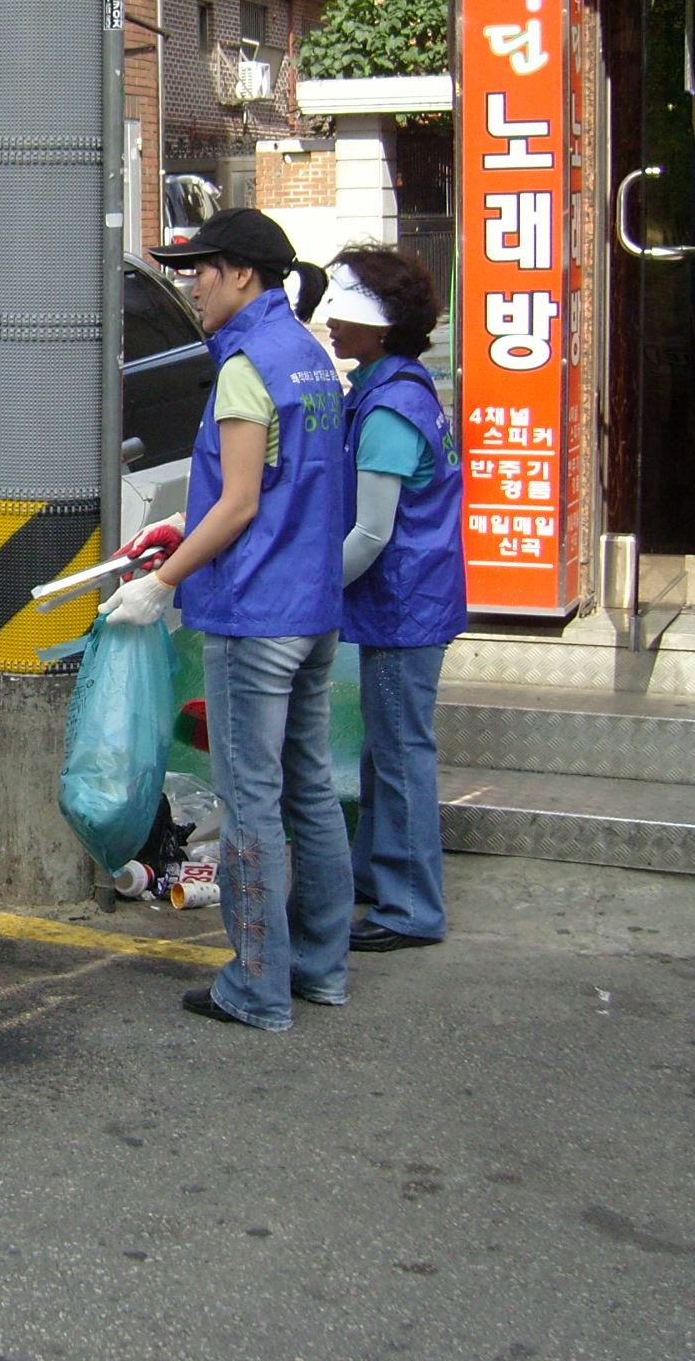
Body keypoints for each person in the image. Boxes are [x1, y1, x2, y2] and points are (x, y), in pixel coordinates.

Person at [100, 207, 351, 1032]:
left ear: (242, 274)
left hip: (255, 614)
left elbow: (240, 501)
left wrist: (164, 579)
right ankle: (319, 967)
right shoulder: (305, 356)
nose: (191, 285)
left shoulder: (246, 362)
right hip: (312, 608)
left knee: (250, 804)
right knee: (308, 789)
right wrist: (184, 527)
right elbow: (278, 487)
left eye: (200, 270)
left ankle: (256, 985)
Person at [323, 247, 466, 952]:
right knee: (388, 752)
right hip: (410, 601)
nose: (329, 321)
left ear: (381, 327)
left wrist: (308, 593)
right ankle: (383, 882)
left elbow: (371, 533)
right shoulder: (397, 388)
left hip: (403, 606)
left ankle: (411, 909)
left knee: (402, 754)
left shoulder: (388, 407)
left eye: (345, 310)